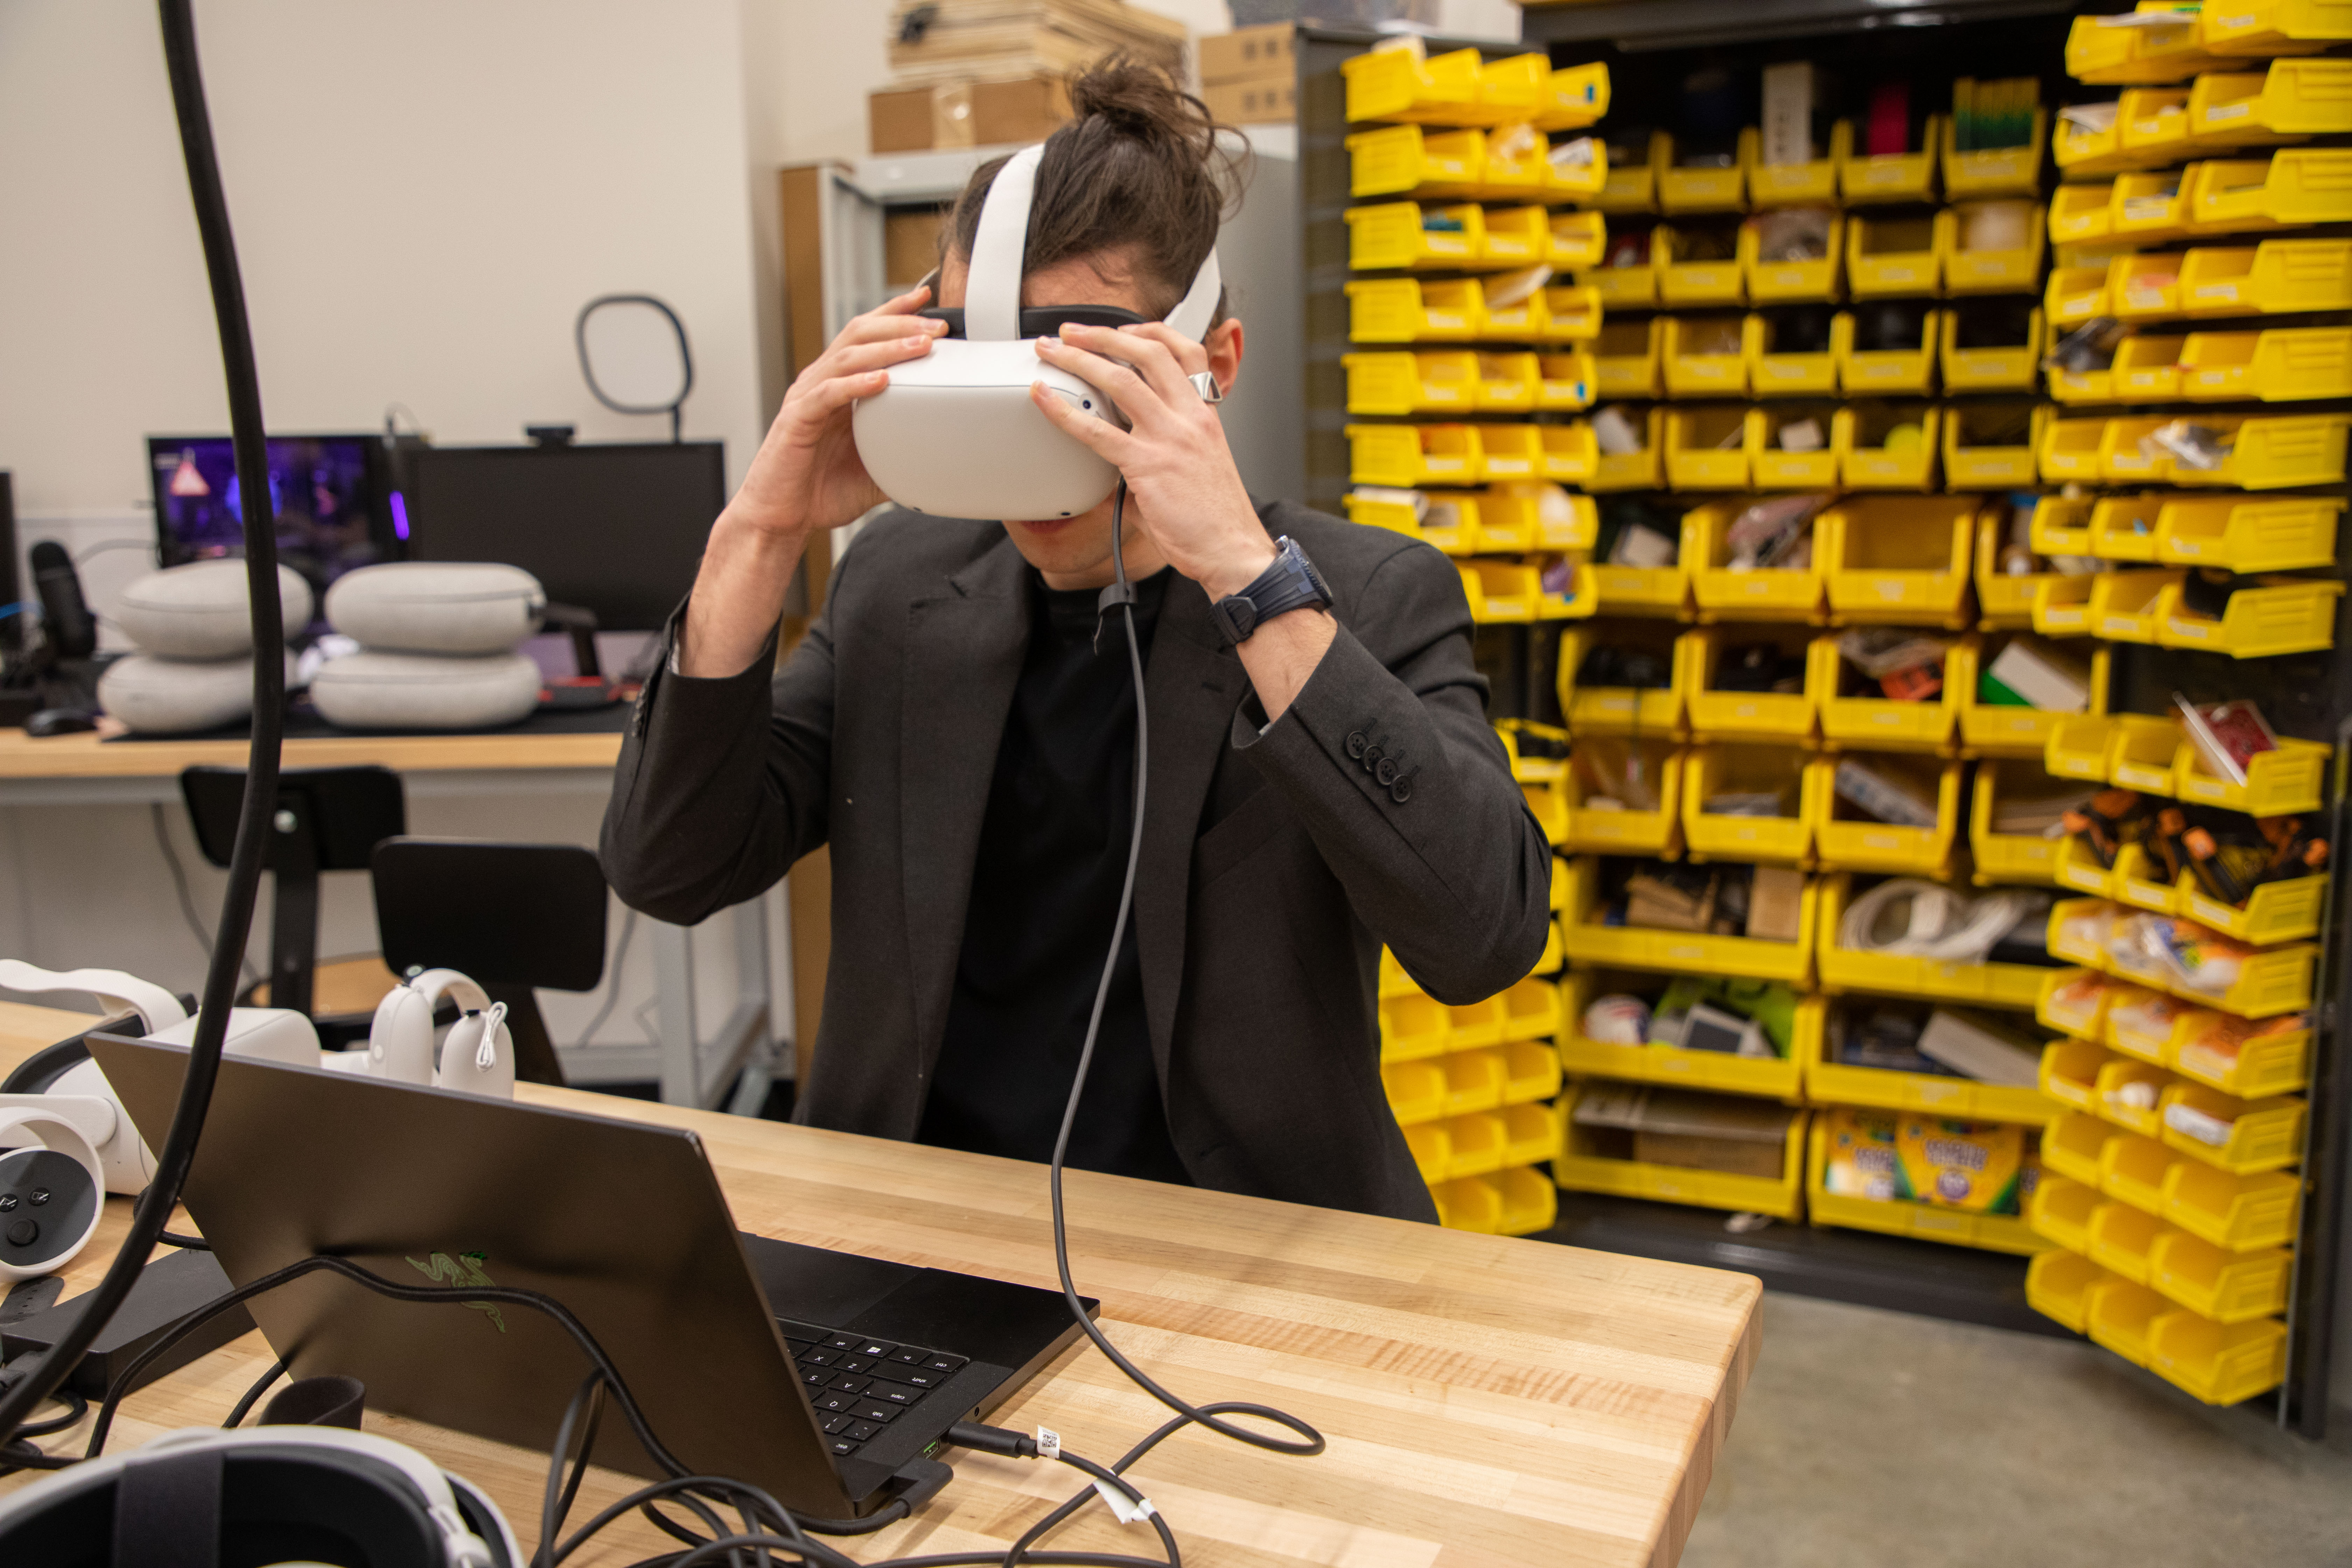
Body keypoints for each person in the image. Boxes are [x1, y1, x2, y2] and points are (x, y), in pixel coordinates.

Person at [601, 63, 1549, 1223]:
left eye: (1084, 382)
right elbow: (670, 866)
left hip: (1242, 1236)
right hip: (923, 1220)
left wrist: (1250, 584)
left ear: (1216, 364)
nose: (1040, 443)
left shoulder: (1365, 594)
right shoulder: (900, 585)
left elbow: (1484, 938)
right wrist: (761, 534)